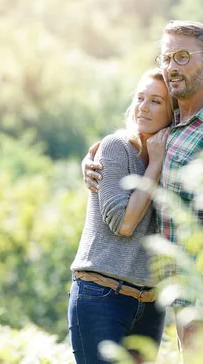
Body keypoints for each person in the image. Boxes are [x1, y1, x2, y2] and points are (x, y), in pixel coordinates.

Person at [82, 20, 203, 354]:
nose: (172, 67)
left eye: (182, 57)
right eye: (166, 58)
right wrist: (93, 158)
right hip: (173, 297)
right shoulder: (176, 122)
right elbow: (134, 147)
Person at [68, 68, 176, 364]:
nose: (143, 107)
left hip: (151, 303)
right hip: (101, 296)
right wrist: (154, 165)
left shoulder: (175, 159)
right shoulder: (116, 148)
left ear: (173, 112)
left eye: (156, 101)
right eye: (140, 97)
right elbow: (124, 224)